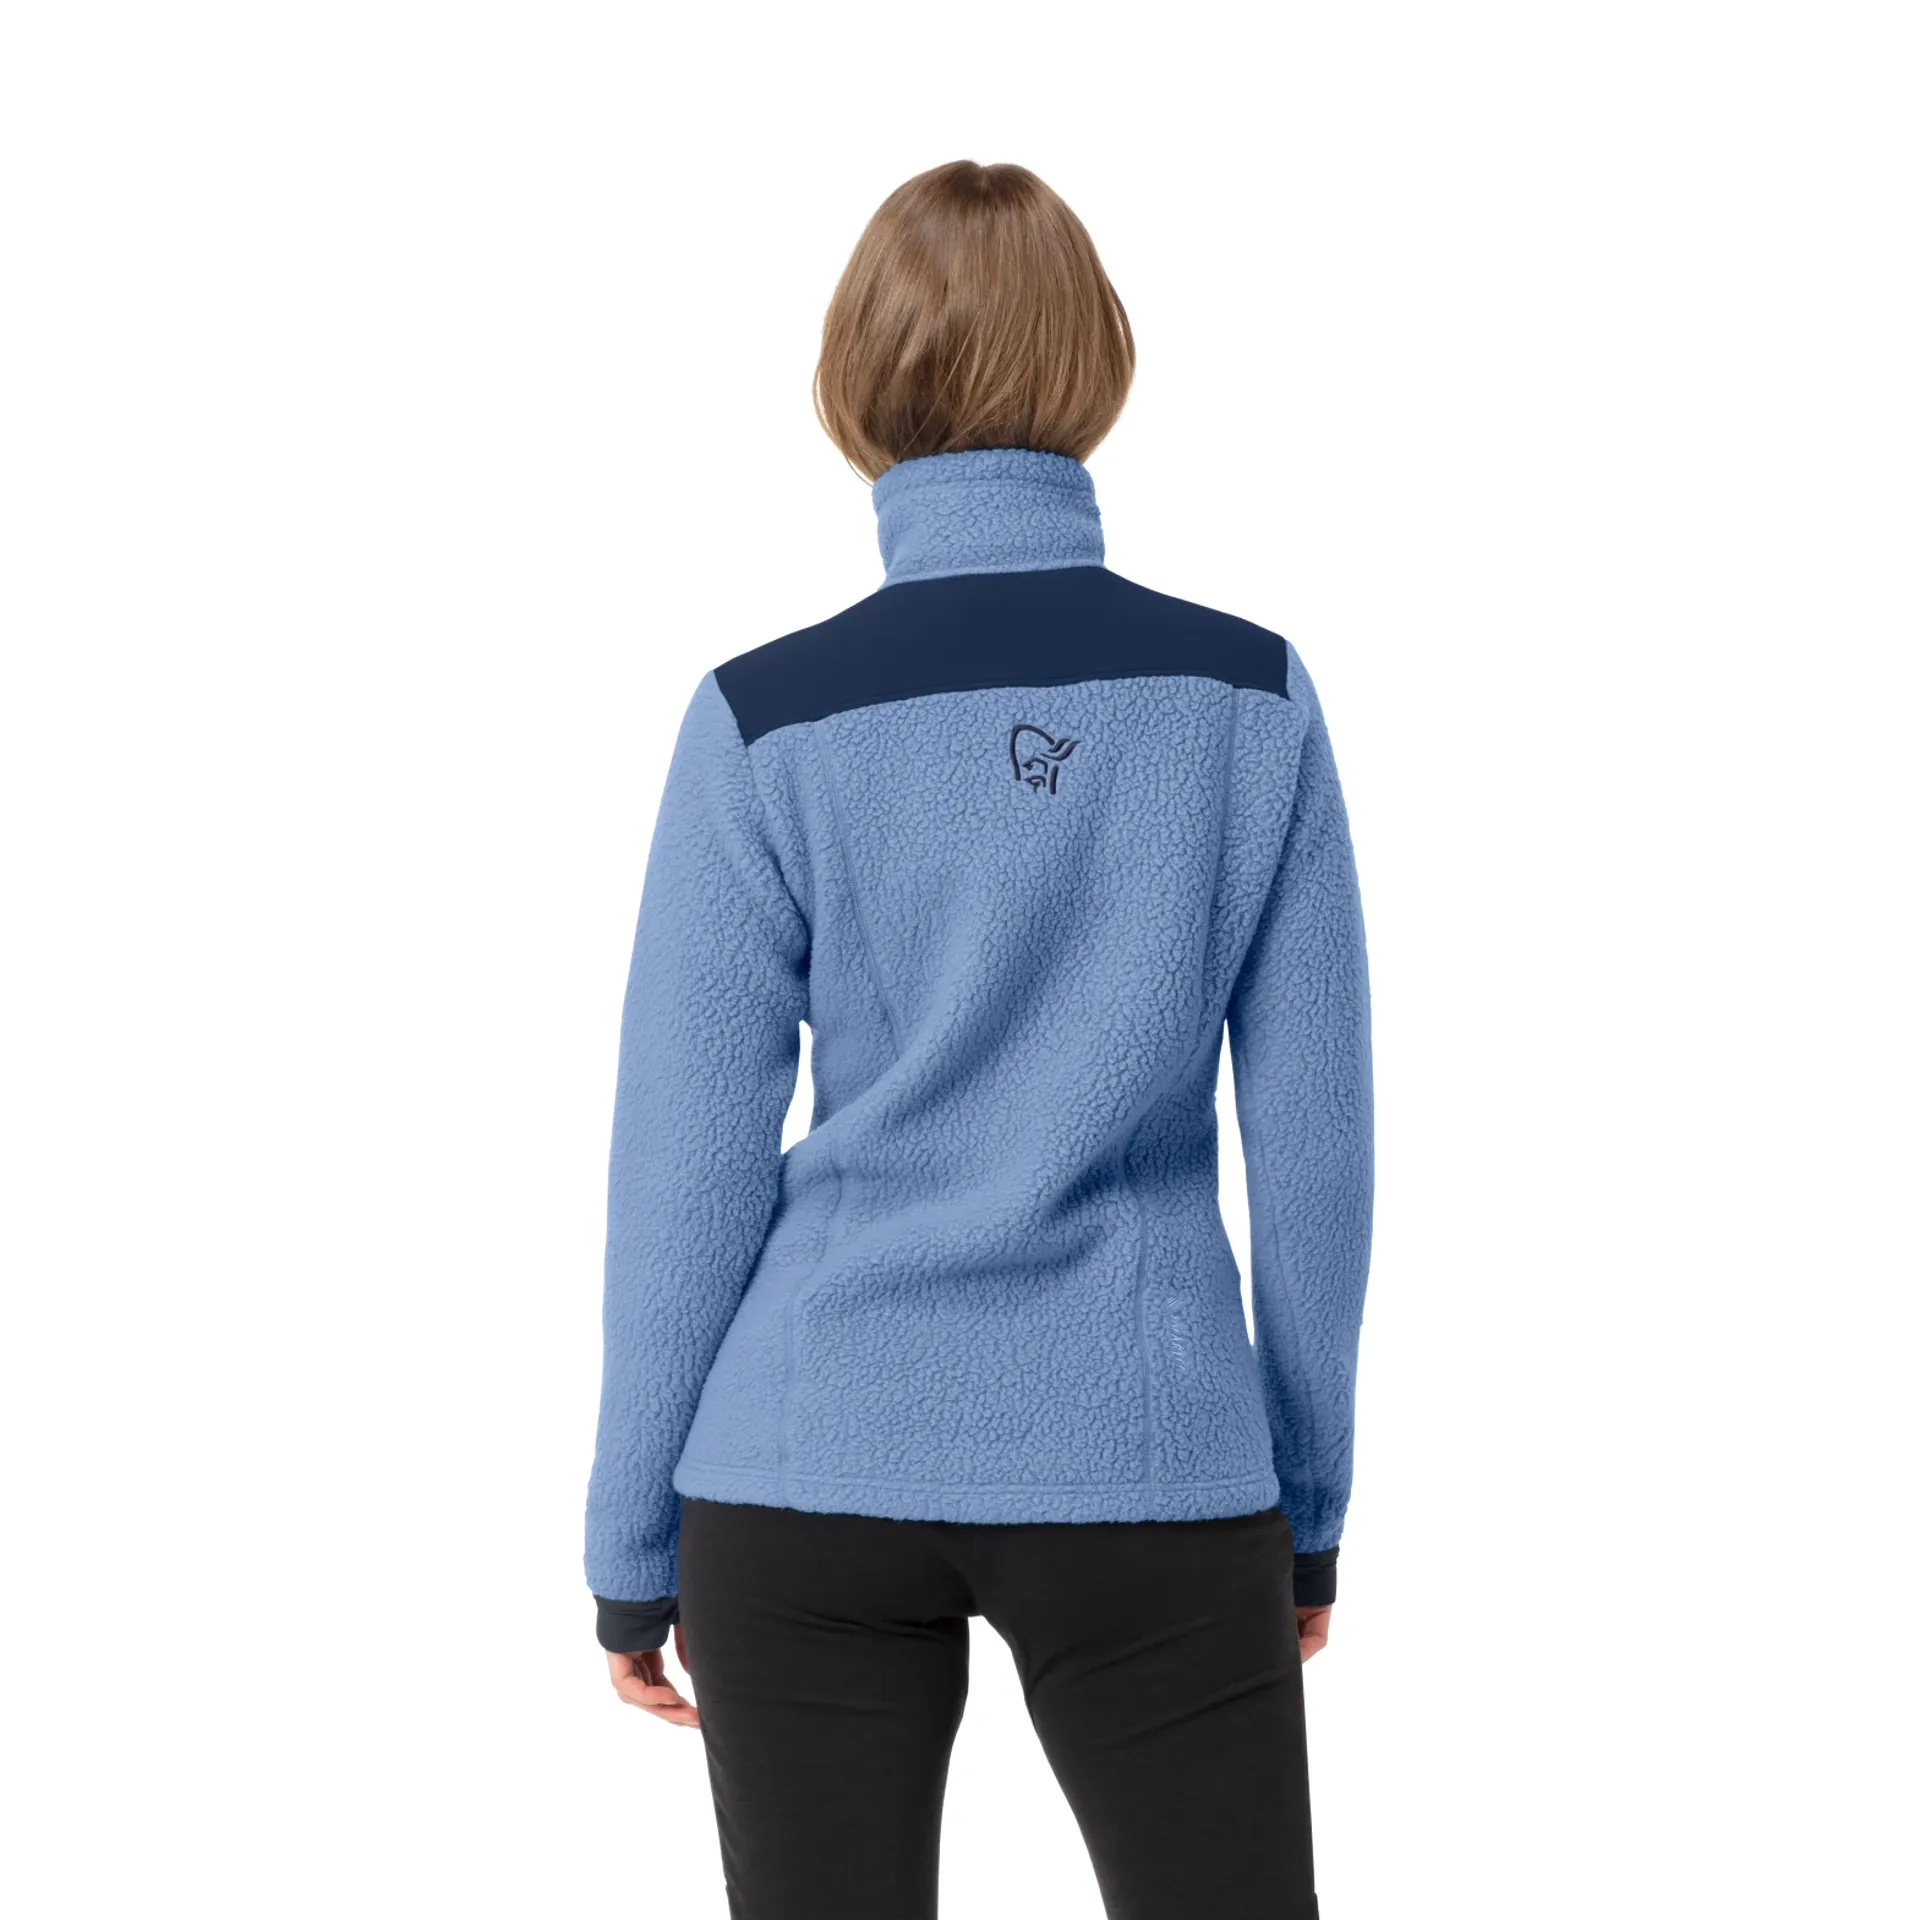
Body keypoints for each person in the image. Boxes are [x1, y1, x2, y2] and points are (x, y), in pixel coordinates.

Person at [585, 159, 1373, 1920]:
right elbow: (1316, 1144)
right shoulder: (1248, 698)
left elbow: (684, 1170)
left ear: (852, 378)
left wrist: (632, 1534)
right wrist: (1305, 1501)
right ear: (1099, 361)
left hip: (808, 1457)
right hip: (1153, 1457)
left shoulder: (765, 718)